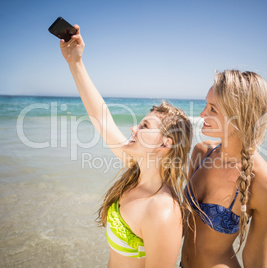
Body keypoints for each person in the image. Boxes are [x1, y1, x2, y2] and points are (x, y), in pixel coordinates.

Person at [59, 25, 193, 268]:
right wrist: (75, 62)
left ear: (166, 143)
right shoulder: (135, 172)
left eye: (144, 126)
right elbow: (100, 117)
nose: (133, 129)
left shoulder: (162, 211)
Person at [181, 70, 267, 268]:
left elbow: (255, 258)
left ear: (239, 116)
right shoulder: (202, 153)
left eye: (212, 109)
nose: (202, 114)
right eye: (206, 105)